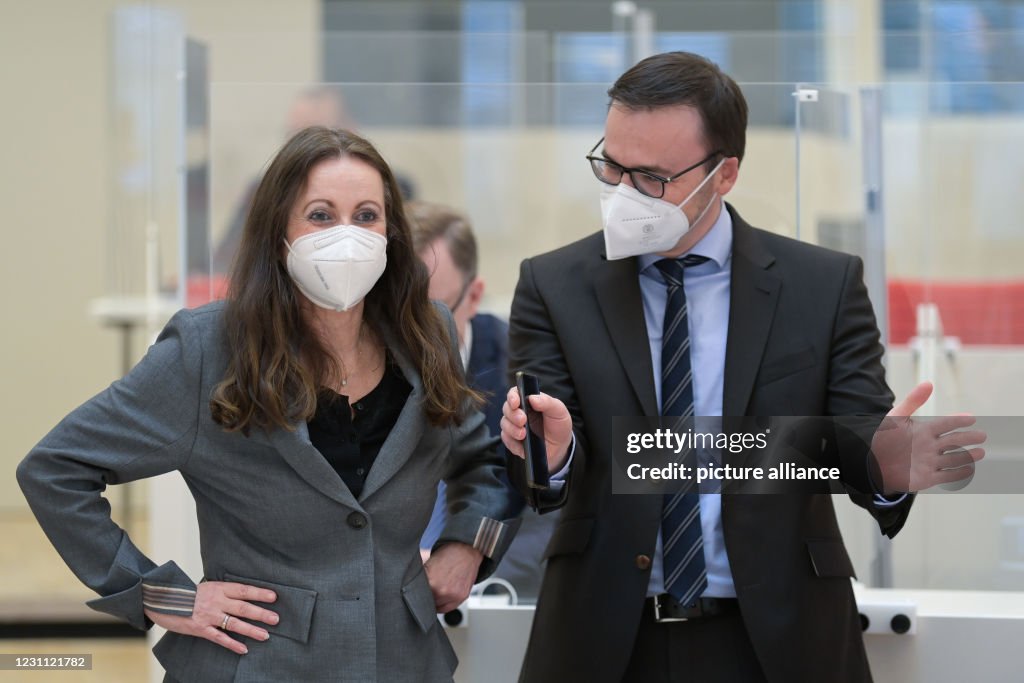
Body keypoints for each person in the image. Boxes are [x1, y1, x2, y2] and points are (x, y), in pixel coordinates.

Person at [498, 52, 984, 682]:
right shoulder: (554, 284)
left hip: (780, 634)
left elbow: (857, 440)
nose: (623, 193)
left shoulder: (823, 285)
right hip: (606, 632)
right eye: (611, 166)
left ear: (723, 175)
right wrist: (554, 451)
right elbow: (555, 468)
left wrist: (882, 464)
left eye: (650, 177)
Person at [18, 126, 517, 682]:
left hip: (403, 660)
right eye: (321, 215)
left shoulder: (428, 334)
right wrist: (160, 595)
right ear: (278, 230)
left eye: (367, 215)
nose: (346, 236)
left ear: (392, 231)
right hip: (257, 663)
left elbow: (483, 462)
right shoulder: (208, 349)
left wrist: (468, 545)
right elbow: (56, 469)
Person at [408, 200, 557, 601]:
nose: (409, 337)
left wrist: (468, 569)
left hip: (495, 604)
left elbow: (549, 515)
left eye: (428, 315)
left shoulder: (527, 373)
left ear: (473, 297)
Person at [212, 86, 416, 274]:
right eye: (320, 215)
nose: (302, 146)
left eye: (366, 216)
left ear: (350, 130)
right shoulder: (262, 190)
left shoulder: (392, 187)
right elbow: (225, 261)